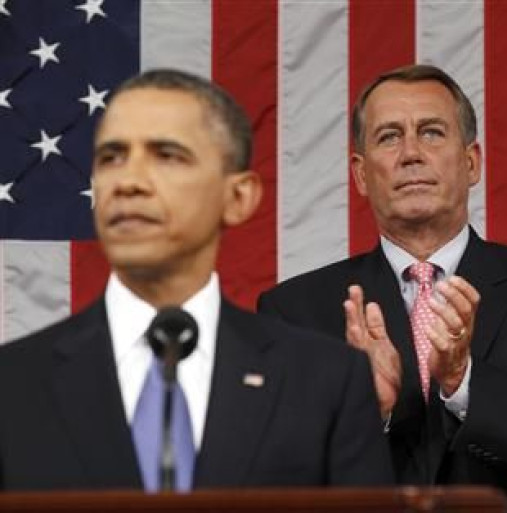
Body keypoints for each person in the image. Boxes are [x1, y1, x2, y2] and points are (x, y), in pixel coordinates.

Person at [0, 69, 392, 491]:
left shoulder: (325, 382)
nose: (128, 182)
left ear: (238, 197)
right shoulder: (13, 384)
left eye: (167, 155)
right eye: (111, 156)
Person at [258, 64, 507, 512]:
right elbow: (271, 478)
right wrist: (367, 412)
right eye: (389, 137)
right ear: (360, 175)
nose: (411, 153)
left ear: (471, 163)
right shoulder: (294, 311)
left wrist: (463, 383)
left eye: (431, 132)